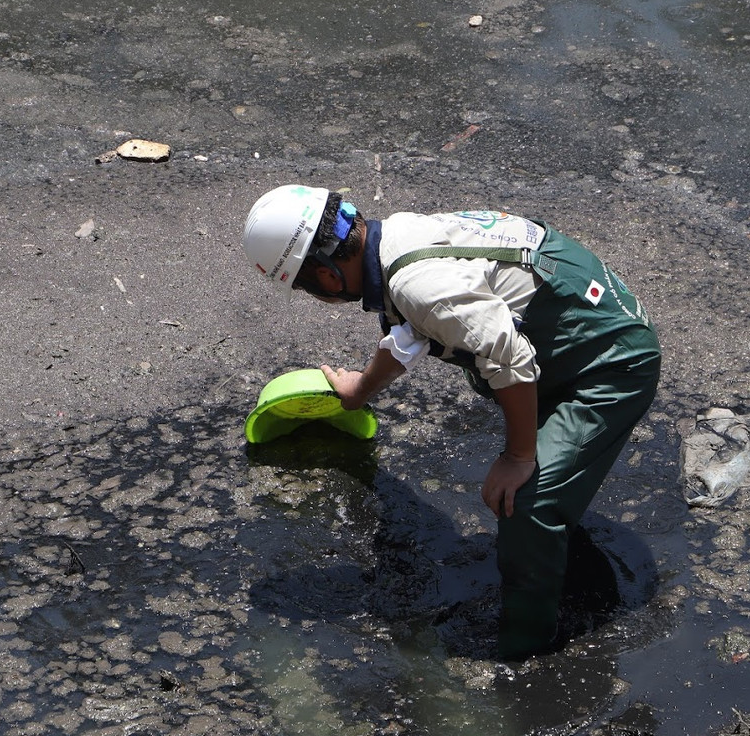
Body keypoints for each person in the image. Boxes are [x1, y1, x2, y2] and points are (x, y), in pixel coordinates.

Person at [241, 184, 661, 660]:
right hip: (575, 330)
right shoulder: (395, 238)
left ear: (327, 276)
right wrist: (360, 389)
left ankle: (526, 651)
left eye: (306, 289)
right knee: (509, 418)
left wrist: (518, 456)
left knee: (524, 502)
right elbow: (411, 330)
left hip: (611, 363)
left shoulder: (417, 285)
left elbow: (510, 358)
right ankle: (556, 542)